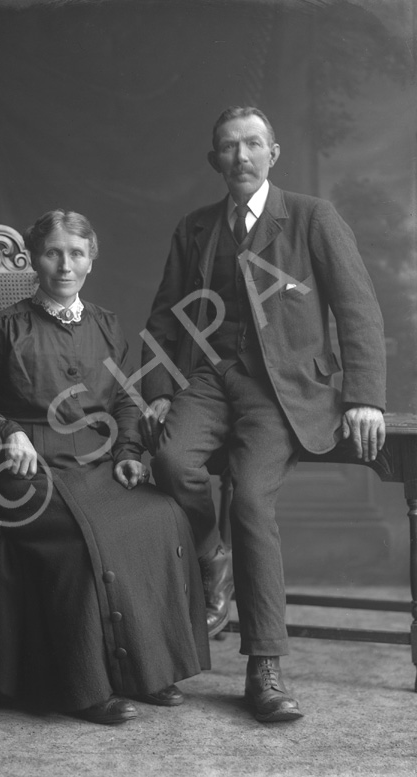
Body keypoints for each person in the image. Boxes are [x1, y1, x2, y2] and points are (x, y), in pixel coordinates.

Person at [140, 106, 386, 722]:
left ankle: (265, 667)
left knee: (250, 499)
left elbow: (358, 308)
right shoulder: (195, 228)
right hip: (207, 380)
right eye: (229, 147)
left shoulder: (311, 217)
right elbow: (166, 317)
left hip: (282, 390)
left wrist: (364, 397)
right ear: (214, 160)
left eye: (253, 144)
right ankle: (210, 556)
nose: (242, 156)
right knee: (169, 460)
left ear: (273, 154)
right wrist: (161, 388)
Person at [0, 209, 210, 725]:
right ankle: (84, 685)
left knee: (163, 516)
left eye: (75, 253)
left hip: (97, 460)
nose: (64, 265)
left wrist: (130, 453)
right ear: (34, 260)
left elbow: (126, 403)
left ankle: (146, 670)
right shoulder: (4, 328)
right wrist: (8, 430)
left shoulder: (109, 325)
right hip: (28, 471)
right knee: (81, 539)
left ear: (92, 259)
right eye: (52, 253)